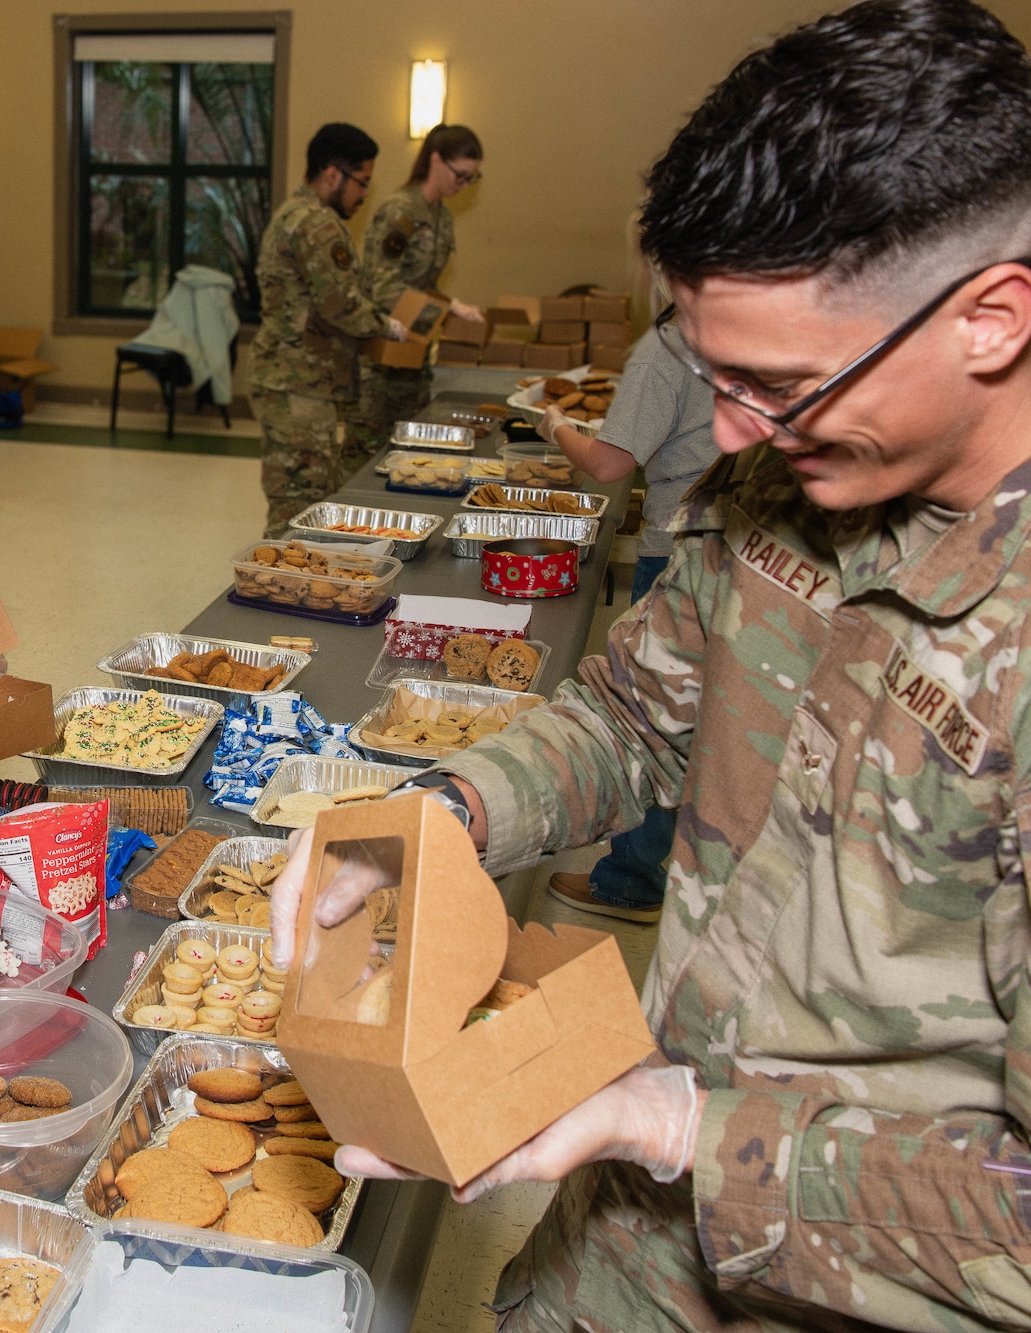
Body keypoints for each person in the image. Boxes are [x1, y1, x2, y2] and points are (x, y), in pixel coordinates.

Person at [268, 2, 1031, 1328]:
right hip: (613, 1256)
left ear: (991, 318)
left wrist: (683, 1125)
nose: (730, 430)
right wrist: (444, 817)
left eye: (777, 386)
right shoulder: (781, 488)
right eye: (710, 373)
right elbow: (630, 716)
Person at [536, 320, 719, 923]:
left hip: (680, 543)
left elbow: (611, 464)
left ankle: (630, 879)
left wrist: (557, 427)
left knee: (652, 713)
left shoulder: (671, 345)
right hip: (725, 537)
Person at [246, 122, 405, 537]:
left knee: (305, 496)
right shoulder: (318, 224)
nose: (365, 193)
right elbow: (339, 303)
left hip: (290, 380)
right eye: (362, 181)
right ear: (333, 173)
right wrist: (387, 326)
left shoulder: (292, 213)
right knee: (297, 507)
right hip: (298, 385)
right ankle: (275, 589)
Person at [354, 125, 485, 452]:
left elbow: (426, 285)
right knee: (365, 456)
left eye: (472, 178)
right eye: (461, 175)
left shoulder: (442, 216)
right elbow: (381, 286)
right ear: (436, 161)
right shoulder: (401, 211)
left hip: (413, 358)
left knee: (407, 456)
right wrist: (445, 308)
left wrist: (450, 306)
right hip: (380, 361)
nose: (464, 185)